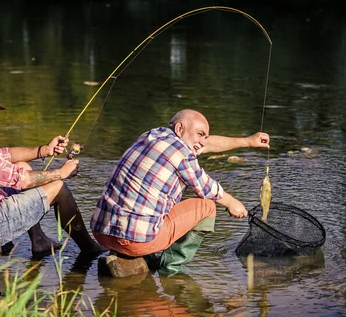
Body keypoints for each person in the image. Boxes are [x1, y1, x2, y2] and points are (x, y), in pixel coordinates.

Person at [90, 109, 270, 275]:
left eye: (204, 136)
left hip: (101, 233)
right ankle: (170, 269)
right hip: (135, 242)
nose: (202, 141)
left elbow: (205, 144)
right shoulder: (181, 153)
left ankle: (132, 257)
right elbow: (207, 188)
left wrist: (248, 141)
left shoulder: (153, 135)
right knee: (207, 206)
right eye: (200, 134)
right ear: (180, 128)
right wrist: (233, 203)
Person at [0, 86, 104, 257]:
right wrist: (62, 172)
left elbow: (5, 154)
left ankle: (39, 240)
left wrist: (44, 150)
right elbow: (22, 180)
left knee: (22, 165)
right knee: (58, 187)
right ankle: (89, 248)